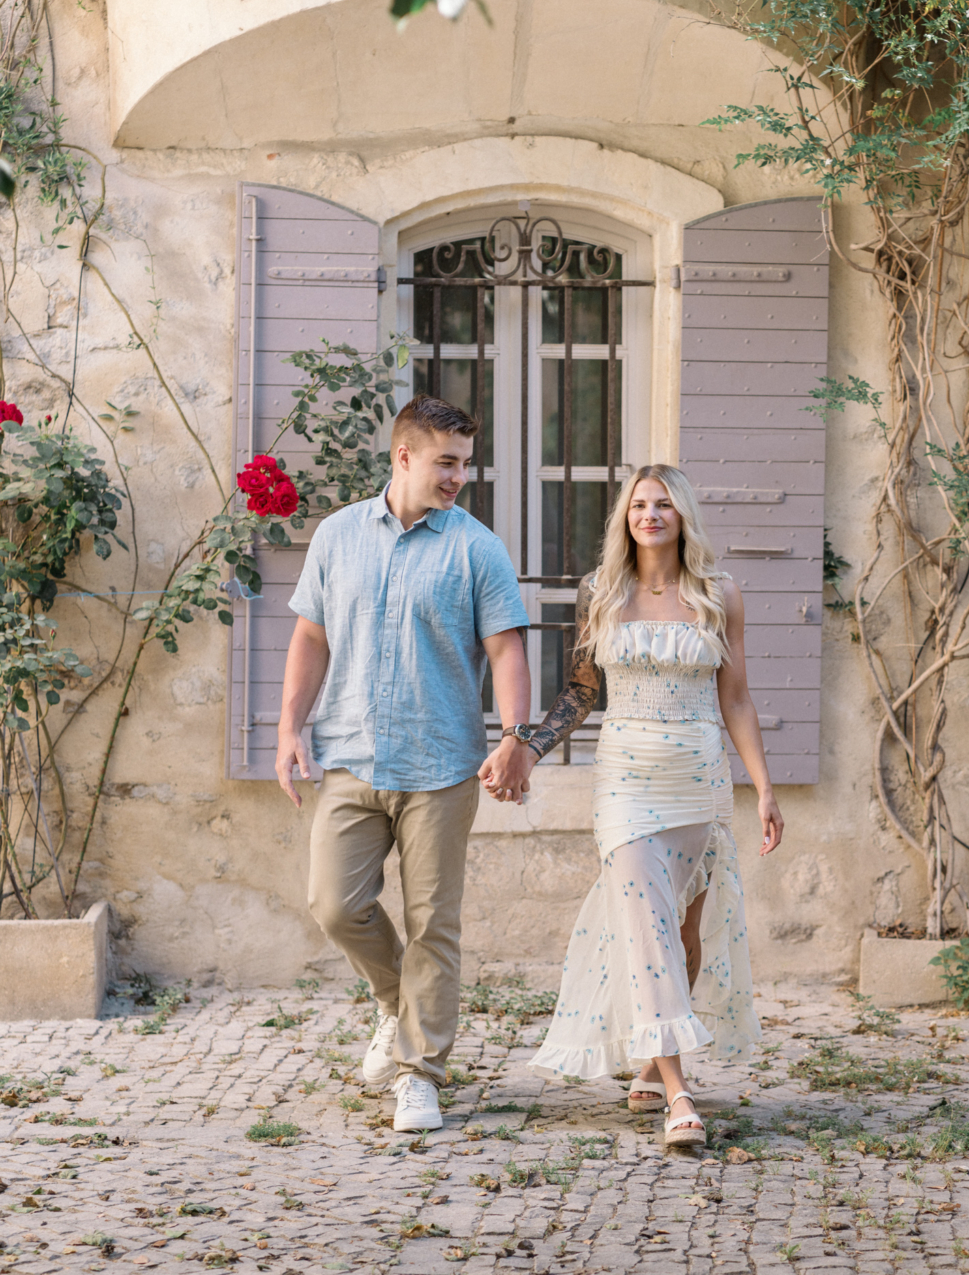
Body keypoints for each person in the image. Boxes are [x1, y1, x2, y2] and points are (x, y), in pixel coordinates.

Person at [483, 463, 783, 1146]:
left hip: (696, 778)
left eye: (664, 504)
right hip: (624, 780)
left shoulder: (719, 594)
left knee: (681, 934)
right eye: (640, 504)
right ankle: (680, 1093)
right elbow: (580, 692)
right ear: (625, 517)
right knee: (645, 925)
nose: (650, 514)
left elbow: (735, 698)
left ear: (682, 517)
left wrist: (762, 786)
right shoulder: (602, 593)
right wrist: (525, 747)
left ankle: (651, 1057)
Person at [276, 394, 533, 1133]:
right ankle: (395, 1002)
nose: (458, 477)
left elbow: (506, 649)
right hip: (352, 754)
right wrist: (291, 727)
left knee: (433, 925)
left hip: (442, 762)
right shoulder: (337, 536)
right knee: (334, 902)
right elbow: (311, 639)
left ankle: (419, 1071)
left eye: (464, 463)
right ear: (404, 457)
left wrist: (513, 736)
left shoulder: (476, 547)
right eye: (445, 462)